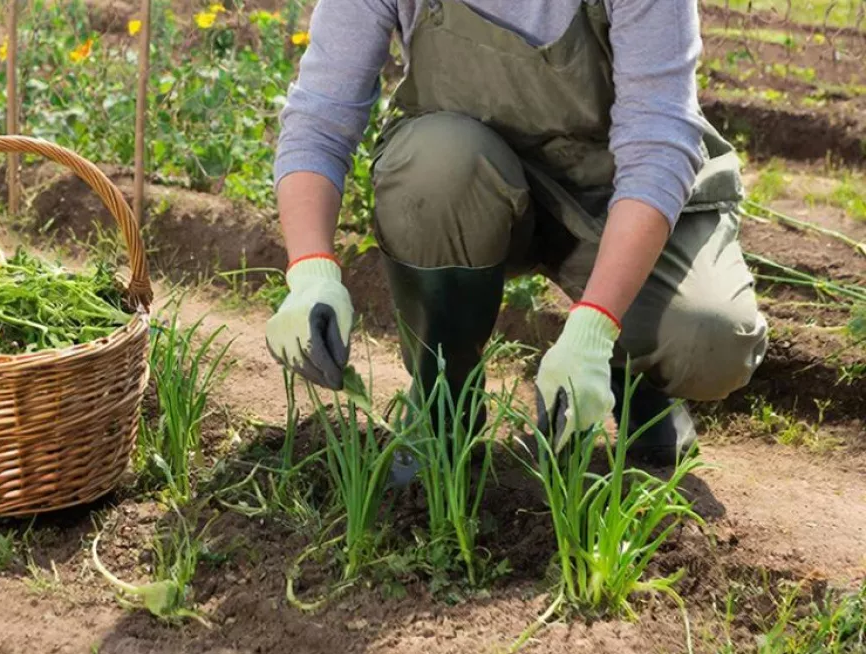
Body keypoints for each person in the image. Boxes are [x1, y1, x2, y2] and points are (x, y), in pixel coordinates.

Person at [263, 0, 770, 468]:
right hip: (467, 186)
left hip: (612, 191)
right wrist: (311, 273)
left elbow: (658, 146)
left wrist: (596, 329)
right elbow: (321, 119)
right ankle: (442, 399)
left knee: (710, 338)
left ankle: (634, 378)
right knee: (435, 165)